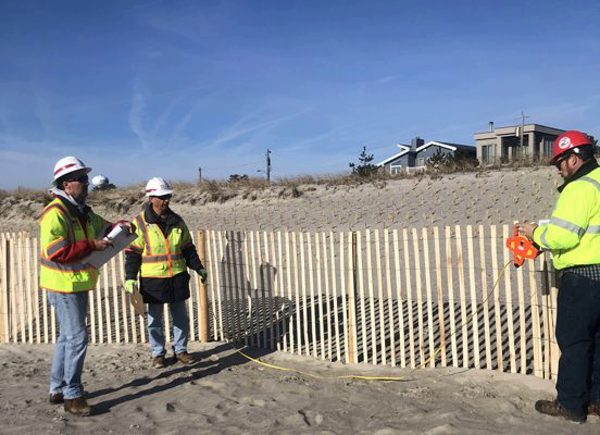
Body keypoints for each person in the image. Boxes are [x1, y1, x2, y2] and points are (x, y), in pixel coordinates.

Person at [40, 156, 133, 416]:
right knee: (78, 338)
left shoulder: (83, 211)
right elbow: (56, 251)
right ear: (66, 183)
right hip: (62, 284)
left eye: (86, 178)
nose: (86, 183)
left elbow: (103, 227)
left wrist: (119, 227)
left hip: (76, 282)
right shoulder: (56, 213)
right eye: (81, 179)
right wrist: (92, 245)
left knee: (66, 338)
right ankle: (72, 394)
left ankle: (57, 388)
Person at [519, 130, 600, 423]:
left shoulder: (579, 188)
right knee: (597, 340)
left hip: (583, 276)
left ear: (575, 158)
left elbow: (564, 234)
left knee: (575, 340)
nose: (559, 169)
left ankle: (570, 404)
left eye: (560, 162)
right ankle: (594, 402)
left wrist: (536, 233)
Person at [124, 177, 207, 368]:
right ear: (151, 198)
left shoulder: (178, 221)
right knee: (155, 321)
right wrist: (130, 278)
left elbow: (188, 248)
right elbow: (133, 254)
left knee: (180, 318)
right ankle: (158, 353)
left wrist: (198, 267)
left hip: (177, 277)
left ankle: (181, 351)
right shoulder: (139, 223)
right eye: (161, 197)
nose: (166, 200)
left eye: (167, 196)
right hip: (153, 281)